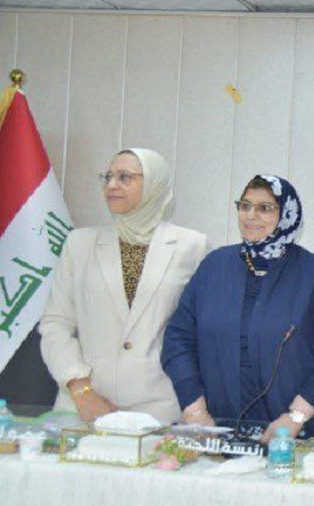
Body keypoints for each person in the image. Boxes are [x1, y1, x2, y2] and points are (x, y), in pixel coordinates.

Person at [162, 175, 314, 441]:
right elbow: (177, 340)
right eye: (245, 205)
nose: (251, 215)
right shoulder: (213, 267)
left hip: (293, 435)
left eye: (265, 208)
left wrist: (297, 416)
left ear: (287, 214)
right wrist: (195, 413)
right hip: (216, 432)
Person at [40, 148, 209, 424]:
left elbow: (196, 334)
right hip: (83, 407)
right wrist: (82, 391)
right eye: (108, 176)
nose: (112, 185)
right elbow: (55, 323)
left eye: (125, 177)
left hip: (160, 409)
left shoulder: (192, 246)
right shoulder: (79, 243)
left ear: (154, 184)